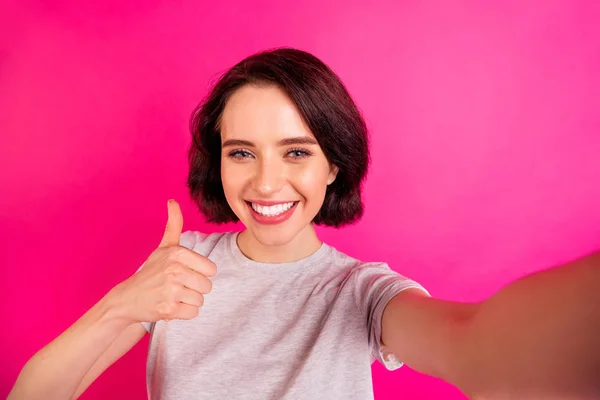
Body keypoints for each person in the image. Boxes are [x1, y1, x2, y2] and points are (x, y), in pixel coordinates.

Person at [8, 48, 600, 400]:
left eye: (296, 152)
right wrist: (123, 304)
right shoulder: (179, 267)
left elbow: (479, 348)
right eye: (242, 152)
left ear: (333, 165)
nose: (266, 185)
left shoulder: (361, 292)